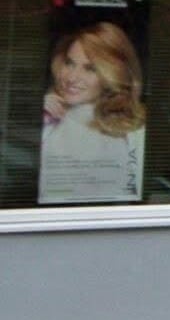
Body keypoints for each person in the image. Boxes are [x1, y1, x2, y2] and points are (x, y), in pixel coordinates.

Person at [40, 22, 147, 204]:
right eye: (69, 63)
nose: (72, 78)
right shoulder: (49, 116)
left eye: (90, 69)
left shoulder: (133, 132)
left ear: (112, 74)